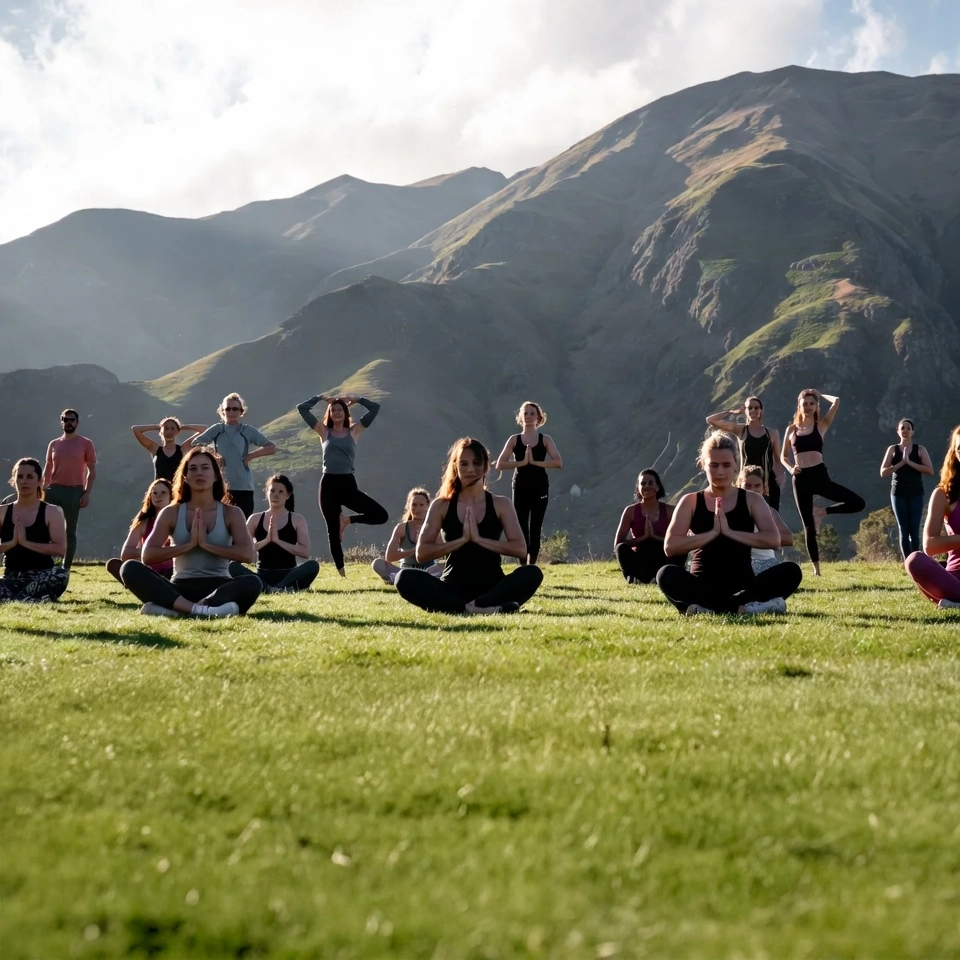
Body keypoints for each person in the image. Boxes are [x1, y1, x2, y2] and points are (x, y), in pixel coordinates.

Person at [656, 431, 802, 615]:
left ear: (735, 465)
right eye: (714, 465)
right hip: (702, 584)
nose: (720, 472)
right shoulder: (690, 501)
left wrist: (730, 532)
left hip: (743, 584)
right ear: (703, 465)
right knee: (666, 574)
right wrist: (712, 533)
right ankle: (737, 608)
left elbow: (773, 540)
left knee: (792, 571)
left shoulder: (752, 499)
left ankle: (711, 608)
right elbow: (670, 547)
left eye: (726, 465)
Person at [395, 438, 544, 614]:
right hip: (453, 587)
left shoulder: (501, 504)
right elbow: (422, 553)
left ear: (486, 466)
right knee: (403, 577)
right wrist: (461, 540)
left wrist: (479, 539)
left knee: (532, 573)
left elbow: (520, 549)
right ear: (456, 466)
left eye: (476, 463)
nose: (470, 469)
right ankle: (478, 608)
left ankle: (473, 607)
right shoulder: (441, 505)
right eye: (464, 464)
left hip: (492, 587)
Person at [118, 447, 262, 617]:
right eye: (193, 468)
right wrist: (189, 545)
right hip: (180, 587)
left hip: (220, 586)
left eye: (205, 468)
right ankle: (201, 610)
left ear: (216, 475)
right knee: (129, 568)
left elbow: (247, 554)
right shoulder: (171, 512)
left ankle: (179, 611)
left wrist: (206, 545)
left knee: (252, 582)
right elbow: (148, 555)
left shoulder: (231, 512)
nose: (199, 472)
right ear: (185, 477)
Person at [296, 392, 388, 576]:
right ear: (329, 414)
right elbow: (302, 409)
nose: (337, 412)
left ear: (346, 413)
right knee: (332, 531)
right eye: (334, 410)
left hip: (347, 484)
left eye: (340, 409)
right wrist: (321, 398)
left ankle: (347, 520)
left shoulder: (355, 431)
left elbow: (375, 408)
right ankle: (342, 573)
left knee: (380, 515)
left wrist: (357, 399)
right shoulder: (324, 432)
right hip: (328, 484)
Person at [781, 388, 864, 576]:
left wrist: (819, 394)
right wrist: (790, 468)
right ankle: (816, 569)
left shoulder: (821, 426)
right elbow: (783, 456)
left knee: (858, 503)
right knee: (808, 526)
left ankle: (821, 512)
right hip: (800, 478)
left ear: (816, 406)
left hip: (819, 476)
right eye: (805, 404)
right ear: (799, 406)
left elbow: (836, 401)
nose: (808, 407)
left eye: (812, 404)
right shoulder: (791, 430)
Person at [494, 401, 563, 564]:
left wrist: (535, 462)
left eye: (532, 413)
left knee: (536, 527)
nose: (529, 416)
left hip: (540, 487)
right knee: (521, 526)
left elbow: (558, 462)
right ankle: (523, 564)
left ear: (539, 417)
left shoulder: (545, 439)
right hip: (520, 487)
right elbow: (500, 464)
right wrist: (522, 463)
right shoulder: (514, 439)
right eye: (525, 413)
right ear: (520, 417)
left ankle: (532, 565)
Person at [189, 394, 277, 518]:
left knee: (242, 523)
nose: (231, 412)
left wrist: (250, 456)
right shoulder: (217, 429)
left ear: (241, 412)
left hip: (243, 487)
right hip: (220, 486)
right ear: (222, 411)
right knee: (220, 523)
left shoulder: (247, 430)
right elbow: (195, 444)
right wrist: (213, 455)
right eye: (228, 409)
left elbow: (271, 448)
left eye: (235, 409)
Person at [228, 475, 320, 593]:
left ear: (288, 495)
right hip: (262, 575)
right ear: (266, 493)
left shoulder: (297, 519)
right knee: (232, 566)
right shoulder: (255, 519)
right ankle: (276, 588)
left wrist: (278, 541)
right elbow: (242, 551)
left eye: (281, 491)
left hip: (288, 574)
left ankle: (274, 588)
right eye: (272, 491)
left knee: (313, 565)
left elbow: (305, 552)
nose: (276, 495)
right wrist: (266, 540)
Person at [904, 425, 960, 609]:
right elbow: (930, 546)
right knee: (915, 560)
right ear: (954, 455)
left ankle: (954, 603)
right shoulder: (943, 495)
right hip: (956, 577)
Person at [0, 458, 68, 603]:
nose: (24, 481)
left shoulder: (52, 511)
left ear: (39, 481)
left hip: (42, 576)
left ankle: (13, 598)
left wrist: (25, 542)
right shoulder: (2, 512)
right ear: (14, 481)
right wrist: (12, 543)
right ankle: (28, 598)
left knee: (60, 575)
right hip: (11, 577)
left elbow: (60, 549)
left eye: (29, 477)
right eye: (20, 476)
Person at [706, 396, 784, 510]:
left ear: (761, 410)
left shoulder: (772, 433)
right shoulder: (741, 430)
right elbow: (711, 420)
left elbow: (777, 459)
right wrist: (731, 412)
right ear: (745, 411)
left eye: (756, 408)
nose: (753, 410)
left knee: (770, 515)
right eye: (750, 408)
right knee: (745, 514)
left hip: (767, 483)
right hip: (746, 482)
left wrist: (781, 476)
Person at [42, 408, 96, 569]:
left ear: (77, 422)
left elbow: (92, 471)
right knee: (45, 529)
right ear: (61, 422)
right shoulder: (54, 444)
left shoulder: (86, 443)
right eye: (65, 419)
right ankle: (46, 565)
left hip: (74, 492)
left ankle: (66, 567)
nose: (69, 422)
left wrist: (87, 493)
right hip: (53, 491)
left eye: (72, 419)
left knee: (70, 532)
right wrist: (43, 488)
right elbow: (48, 468)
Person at [613, 468, 683, 583]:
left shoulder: (670, 511)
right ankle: (637, 577)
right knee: (621, 548)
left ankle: (667, 577)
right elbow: (618, 544)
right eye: (643, 483)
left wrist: (655, 537)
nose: (647, 486)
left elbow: (680, 540)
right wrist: (643, 538)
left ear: (657, 487)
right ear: (638, 488)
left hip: (663, 556)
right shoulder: (630, 511)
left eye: (650, 483)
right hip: (641, 559)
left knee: (681, 549)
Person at [881, 418, 934, 560]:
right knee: (903, 529)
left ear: (912, 432)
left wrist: (910, 462)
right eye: (902, 428)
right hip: (898, 493)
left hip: (916, 493)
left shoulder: (920, 449)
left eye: (908, 428)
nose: (905, 430)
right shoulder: (892, 449)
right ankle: (907, 562)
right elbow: (883, 472)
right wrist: (900, 463)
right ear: (898, 431)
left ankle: (916, 562)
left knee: (914, 529)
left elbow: (930, 470)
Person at [105, 479, 174, 583]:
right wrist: (148, 551)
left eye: (163, 492)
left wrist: (162, 553)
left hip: (172, 572)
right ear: (150, 496)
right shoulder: (143, 522)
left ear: (171, 496)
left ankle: (153, 588)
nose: (158, 496)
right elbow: (125, 554)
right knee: (114, 564)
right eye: (154, 493)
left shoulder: (178, 519)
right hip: (150, 571)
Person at [371, 487, 443, 585]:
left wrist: (424, 547)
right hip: (405, 569)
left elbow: (441, 552)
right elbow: (389, 556)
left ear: (428, 506)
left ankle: (403, 578)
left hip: (430, 569)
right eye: (414, 505)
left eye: (421, 505)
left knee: (451, 564)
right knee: (377, 563)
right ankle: (404, 577)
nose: (417, 509)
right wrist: (414, 550)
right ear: (409, 506)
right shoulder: (402, 528)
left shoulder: (434, 527)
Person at [738, 465, 794, 574]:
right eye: (747, 486)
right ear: (739, 486)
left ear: (764, 488)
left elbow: (788, 538)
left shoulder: (770, 512)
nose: (753, 490)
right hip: (741, 563)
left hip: (767, 563)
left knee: (792, 570)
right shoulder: (730, 509)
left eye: (757, 486)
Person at [131, 417, 206, 482]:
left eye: (173, 428)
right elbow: (135, 429)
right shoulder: (155, 449)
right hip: (160, 490)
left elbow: (204, 429)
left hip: (178, 490)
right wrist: (157, 427)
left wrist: (182, 427)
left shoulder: (183, 449)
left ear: (177, 432)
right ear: (161, 431)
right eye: (166, 428)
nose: (169, 431)